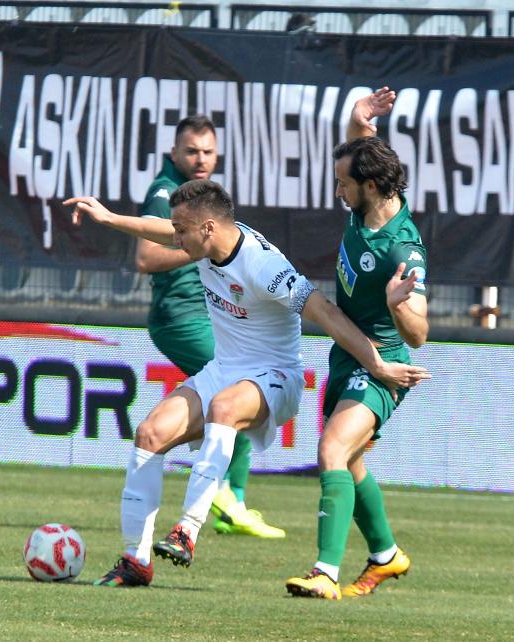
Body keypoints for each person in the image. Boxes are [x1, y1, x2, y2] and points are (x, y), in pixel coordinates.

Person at [64, 178, 429, 588]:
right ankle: (136, 560)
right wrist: (108, 218)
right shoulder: (204, 240)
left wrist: (376, 363)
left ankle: (187, 530)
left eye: (181, 231)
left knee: (224, 407)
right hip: (224, 369)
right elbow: (161, 230)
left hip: (275, 376)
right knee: (150, 433)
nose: (175, 239)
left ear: (207, 228)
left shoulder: (263, 266)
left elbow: (325, 312)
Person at [285, 87, 429, 600]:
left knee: (331, 449)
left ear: (370, 187)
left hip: (382, 364)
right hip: (347, 356)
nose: (337, 191)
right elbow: (356, 156)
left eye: (343, 184)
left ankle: (324, 572)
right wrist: (358, 118)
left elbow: (419, 333)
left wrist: (398, 305)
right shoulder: (365, 205)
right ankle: (386, 556)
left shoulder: (402, 249)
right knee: (350, 461)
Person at [135, 114, 284, 538]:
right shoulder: (165, 193)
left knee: (236, 397)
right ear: (173, 153)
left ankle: (225, 496)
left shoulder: (199, 198)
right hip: (180, 316)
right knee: (242, 386)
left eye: (207, 152)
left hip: (206, 315)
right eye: (191, 151)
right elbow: (145, 257)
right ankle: (228, 499)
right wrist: (200, 248)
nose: (200, 159)